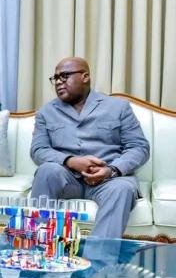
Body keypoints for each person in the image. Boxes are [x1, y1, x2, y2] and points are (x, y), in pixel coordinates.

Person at [30, 56, 150, 238]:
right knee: (46, 171)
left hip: (108, 180)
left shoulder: (118, 107)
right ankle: (40, 248)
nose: (59, 82)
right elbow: (38, 150)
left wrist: (112, 170)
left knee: (122, 188)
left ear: (85, 76)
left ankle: (99, 256)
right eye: (55, 78)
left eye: (65, 76)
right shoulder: (46, 112)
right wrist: (70, 161)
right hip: (67, 178)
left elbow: (139, 147)